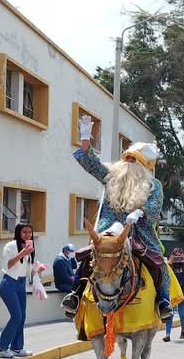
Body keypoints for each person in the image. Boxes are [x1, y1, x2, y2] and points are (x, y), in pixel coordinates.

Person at [62, 117, 171, 320]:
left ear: (144, 165)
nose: (128, 163)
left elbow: (155, 208)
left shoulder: (154, 185)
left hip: (139, 233)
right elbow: (92, 164)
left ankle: (163, 301)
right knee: (88, 255)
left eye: (133, 160)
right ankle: (75, 294)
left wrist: (140, 213)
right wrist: (85, 139)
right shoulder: (112, 177)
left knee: (160, 264)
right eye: (127, 158)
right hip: (108, 229)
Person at [0, 223, 43, 359]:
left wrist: (38, 268)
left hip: (21, 283)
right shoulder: (10, 246)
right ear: (18, 233)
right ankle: (1, 346)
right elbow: (8, 265)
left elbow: (27, 269)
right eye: (24, 232)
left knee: (22, 317)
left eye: (29, 232)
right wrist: (22, 253)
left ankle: (16, 347)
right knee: (16, 316)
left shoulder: (29, 247)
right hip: (9, 283)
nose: (27, 235)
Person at [164, 248, 184, 340]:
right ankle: (167, 334)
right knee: (170, 313)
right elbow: (163, 275)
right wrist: (169, 263)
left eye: (180, 255)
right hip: (173, 293)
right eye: (176, 255)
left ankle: (183, 331)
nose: (178, 258)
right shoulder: (169, 266)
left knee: (181, 312)